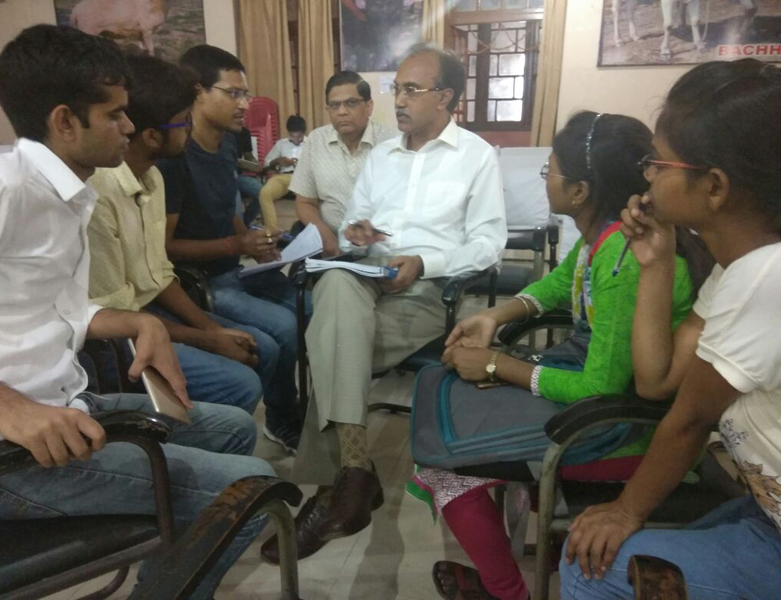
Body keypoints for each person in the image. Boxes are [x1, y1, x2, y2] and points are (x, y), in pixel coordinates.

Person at [0, 25, 274, 600]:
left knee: (235, 428)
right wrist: (7, 404)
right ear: (65, 121)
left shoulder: (68, 191)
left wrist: (141, 322)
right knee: (250, 489)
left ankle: (165, 577)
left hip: (68, 403)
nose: (129, 127)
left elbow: (61, 311)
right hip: (4, 450)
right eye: (115, 114)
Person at [409, 111, 699, 600]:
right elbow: (563, 282)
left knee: (444, 465)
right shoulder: (601, 238)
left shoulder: (624, 260)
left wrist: (499, 364)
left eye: (550, 170)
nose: (546, 179)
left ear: (580, 191)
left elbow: (599, 389)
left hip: (621, 429)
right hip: (594, 399)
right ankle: (512, 556)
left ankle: (508, 593)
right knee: (449, 393)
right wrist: (497, 315)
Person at [260, 43, 507, 564]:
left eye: (412, 90)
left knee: (330, 344)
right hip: (368, 277)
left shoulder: (476, 156)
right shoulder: (383, 156)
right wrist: (359, 233)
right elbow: (357, 220)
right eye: (397, 88)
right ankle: (354, 474)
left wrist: (424, 261)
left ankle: (342, 488)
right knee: (335, 283)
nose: (399, 100)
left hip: (429, 290)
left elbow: (488, 244)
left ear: (445, 98)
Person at [561, 59, 781, 600]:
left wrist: (625, 511)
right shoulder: (736, 271)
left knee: (589, 568)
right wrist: (656, 263)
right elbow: (657, 381)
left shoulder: (765, 276)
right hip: (766, 508)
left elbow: (690, 419)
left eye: (658, 163)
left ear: (714, 187)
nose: (648, 177)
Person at [87, 55, 283, 422]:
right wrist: (208, 339)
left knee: (260, 348)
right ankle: (201, 437)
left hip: (151, 311)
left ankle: (229, 428)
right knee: (241, 383)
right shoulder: (101, 194)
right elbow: (121, 316)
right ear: (151, 136)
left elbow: (159, 274)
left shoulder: (151, 177)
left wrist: (213, 329)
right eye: (184, 121)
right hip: (118, 338)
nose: (190, 130)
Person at [157, 44, 303, 452]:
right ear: (198, 93)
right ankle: (281, 417)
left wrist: (254, 243)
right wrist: (235, 243)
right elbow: (165, 249)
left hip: (234, 266)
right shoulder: (174, 157)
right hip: (202, 281)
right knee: (282, 328)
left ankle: (297, 403)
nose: (244, 105)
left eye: (245, 94)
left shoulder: (225, 144)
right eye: (233, 93)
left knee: (306, 303)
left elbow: (229, 210)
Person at [290, 70, 397, 257]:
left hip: (383, 247)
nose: (342, 112)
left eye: (351, 103)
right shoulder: (316, 141)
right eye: (334, 105)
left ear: (369, 106)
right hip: (331, 245)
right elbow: (305, 202)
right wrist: (327, 238)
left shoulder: (392, 143)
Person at [258, 114, 307, 230]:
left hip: (304, 177)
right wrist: (279, 161)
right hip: (283, 177)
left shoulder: (311, 144)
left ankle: (307, 230)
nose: (296, 140)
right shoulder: (281, 144)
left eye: (299, 137)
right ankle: (272, 230)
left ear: (304, 133)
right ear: (288, 133)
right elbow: (267, 162)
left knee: (307, 199)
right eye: (293, 136)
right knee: (265, 194)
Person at [236, 125, 264, 225]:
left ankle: (245, 222)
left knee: (264, 193)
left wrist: (254, 164)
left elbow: (248, 155)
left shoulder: (244, 132)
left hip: (238, 176)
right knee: (234, 199)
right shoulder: (220, 132)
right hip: (222, 176)